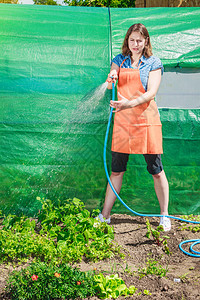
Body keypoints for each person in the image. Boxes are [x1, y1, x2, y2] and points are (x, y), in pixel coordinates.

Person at [98, 23, 171, 231]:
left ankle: (164, 215)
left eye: (139, 40)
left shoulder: (153, 62)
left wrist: (128, 104)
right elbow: (111, 82)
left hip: (146, 122)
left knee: (156, 171)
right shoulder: (119, 60)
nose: (136, 44)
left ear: (146, 41)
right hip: (123, 123)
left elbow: (150, 93)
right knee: (117, 171)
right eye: (132, 40)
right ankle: (105, 215)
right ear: (127, 41)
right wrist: (112, 77)